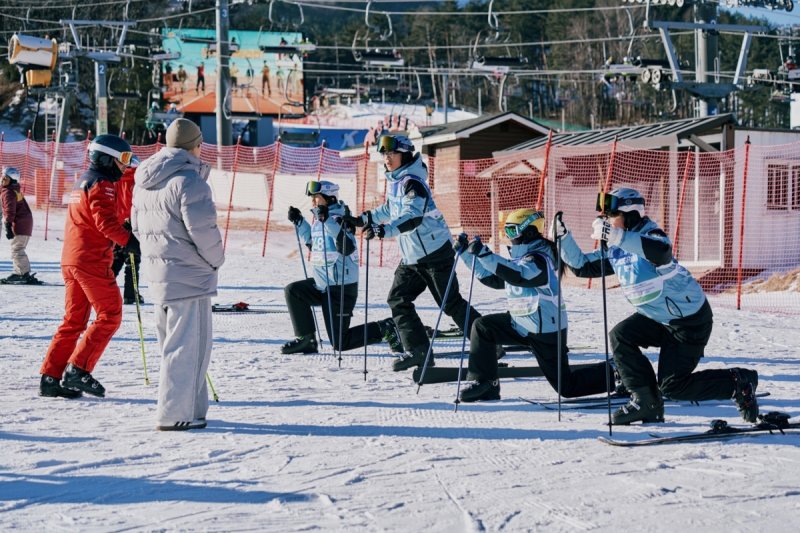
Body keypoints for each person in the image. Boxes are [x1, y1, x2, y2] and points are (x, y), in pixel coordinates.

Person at [556, 187, 760, 425]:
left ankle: (738, 382)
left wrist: (615, 235)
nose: (605, 221)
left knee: (673, 387)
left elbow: (661, 252)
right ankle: (646, 402)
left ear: (630, 213)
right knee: (621, 335)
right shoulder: (616, 247)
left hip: (688, 321)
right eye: (604, 217)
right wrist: (563, 238)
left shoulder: (651, 234)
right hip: (656, 318)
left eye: (611, 216)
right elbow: (583, 267)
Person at [343, 134, 481, 371]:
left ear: (405, 154)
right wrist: (362, 219)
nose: (387, 158)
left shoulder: (413, 183)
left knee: (450, 303)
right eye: (384, 154)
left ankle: (489, 343)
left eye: (391, 153)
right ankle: (418, 351)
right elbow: (390, 208)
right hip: (413, 257)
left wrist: (383, 230)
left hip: (435, 253)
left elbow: (412, 216)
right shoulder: (397, 181)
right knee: (398, 299)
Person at [455, 209, 620, 403]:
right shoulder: (520, 257)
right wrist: (467, 254)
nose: (509, 237)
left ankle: (617, 370)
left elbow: (520, 275)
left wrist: (485, 255)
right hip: (520, 325)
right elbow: (494, 279)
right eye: (505, 231)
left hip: (545, 330)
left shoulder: (540, 260)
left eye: (512, 231)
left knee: (567, 387)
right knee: (483, 327)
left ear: (530, 232)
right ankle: (484, 383)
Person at [132, 118, 224, 431]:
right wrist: (216, 261)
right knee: (187, 348)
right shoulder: (190, 181)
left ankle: (192, 409)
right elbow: (204, 232)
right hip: (190, 278)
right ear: (195, 145)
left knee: (175, 347)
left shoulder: (144, 181)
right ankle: (173, 414)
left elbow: (137, 228)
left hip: (159, 276)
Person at [39, 135, 140, 399]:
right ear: (107, 158)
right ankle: (78, 369)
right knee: (111, 314)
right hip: (91, 261)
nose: (125, 166)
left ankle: (50, 377)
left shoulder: (83, 181)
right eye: (124, 160)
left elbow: (98, 219)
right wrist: (130, 242)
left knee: (74, 321)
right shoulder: (102, 183)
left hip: (73, 259)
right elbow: (103, 221)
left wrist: (122, 230)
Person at [283, 180, 403, 355]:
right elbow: (313, 244)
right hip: (322, 285)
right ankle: (306, 340)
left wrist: (328, 221)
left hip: (340, 289)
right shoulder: (319, 220)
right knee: (293, 291)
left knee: (341, 342)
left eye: (316, 198)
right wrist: (300, 222)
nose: (313, 202)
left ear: (329, 198)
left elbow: (347, 246)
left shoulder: (342, 220)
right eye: (312, 199)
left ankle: (385, 328)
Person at [111, 163, 144, 305]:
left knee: (116, 257)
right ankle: (130, 294)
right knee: (132, 260)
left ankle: (104, 289)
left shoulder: (115, 177)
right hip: (133, 221)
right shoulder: (139, 179)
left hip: (118, 224)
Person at [1, 166, 39, 285]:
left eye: (5, 178)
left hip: (20, 225)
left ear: (12, 179)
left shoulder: (8, 193)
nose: (2, 180)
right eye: (2, 177)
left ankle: (21, 273)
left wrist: (8, 225)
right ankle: (23, 272)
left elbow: (10, 210)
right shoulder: (14, 190)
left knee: (17, 249)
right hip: (25, 223)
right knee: (18, 249)